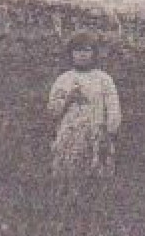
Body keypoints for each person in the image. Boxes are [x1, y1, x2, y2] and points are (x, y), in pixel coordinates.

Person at [45, 30, 122, 177]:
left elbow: (113, 110)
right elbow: (52, 111)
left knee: (95, 176)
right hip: (69, 137)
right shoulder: (64, 79)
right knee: (67, 176)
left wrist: (109, 133)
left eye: (86, 50)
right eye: (77, 50)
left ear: (93, 53)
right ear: (71, 54)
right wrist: (68, 99)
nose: (82, 55)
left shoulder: (103, 79)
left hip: (96, 136)